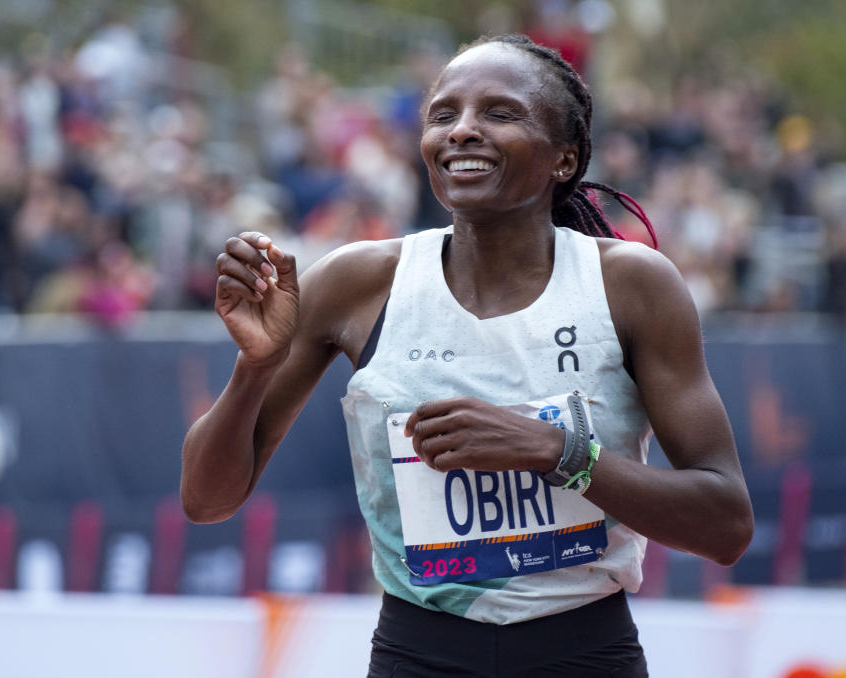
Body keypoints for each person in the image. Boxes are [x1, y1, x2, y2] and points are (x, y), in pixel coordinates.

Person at [180, 34, 754, 677]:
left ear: (564, 159)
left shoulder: (630, 284)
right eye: (443, 115)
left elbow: (726, 522)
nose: (462, 132)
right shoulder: (357, 283)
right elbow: (206, 501)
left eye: (499, 114)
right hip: (418, 654)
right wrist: (254, 369)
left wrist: (554, 452)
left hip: (584, 653)